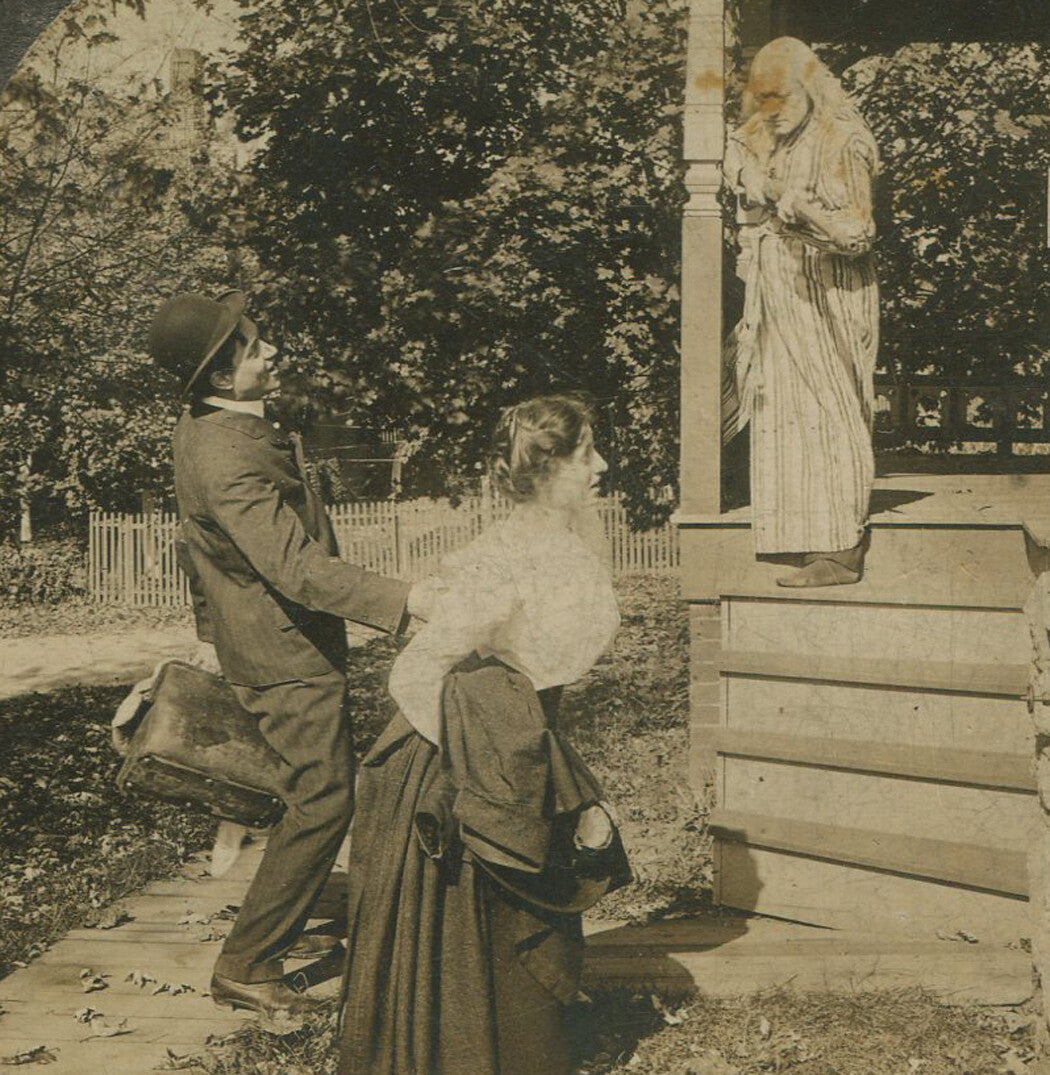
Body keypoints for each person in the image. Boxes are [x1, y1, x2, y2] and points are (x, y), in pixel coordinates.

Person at [337, 395, 630, 1075]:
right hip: (458, 754)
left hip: (514, 739)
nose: (600, 466)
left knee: (515, 910)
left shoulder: (560, 543)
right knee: (466, 914)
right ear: (546, 466)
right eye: (586, 452)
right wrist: (474, 766)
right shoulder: (508, 556)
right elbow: (419, 670)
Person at [147, 289, 411, 1020]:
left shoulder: (206, 427)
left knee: (310, 790)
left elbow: (198, 550)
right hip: (284, 651)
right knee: (323, 799)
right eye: (252, 345)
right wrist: (408, 602)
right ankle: (248, 962)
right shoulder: (226, 455)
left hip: (262, 639)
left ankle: (279, 924)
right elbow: (297, 569)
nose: (271, 351)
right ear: (218, 375)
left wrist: (211, 631)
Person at [723, 37, 880, 587]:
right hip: (779, 291)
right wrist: (754, 180)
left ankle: (840, 550)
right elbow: (737, 156)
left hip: (828, 293)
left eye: (783, 96)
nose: (772, 109)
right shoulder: (768, 132)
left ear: (810, 88)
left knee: (829, 408)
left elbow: (858, 236)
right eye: (763, 98)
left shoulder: (844, 141)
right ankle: (799, 535)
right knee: (783, 410)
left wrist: (801, 208)